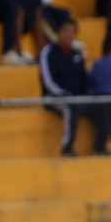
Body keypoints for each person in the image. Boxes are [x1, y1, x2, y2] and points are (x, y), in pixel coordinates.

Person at [39, 19, 100, 156]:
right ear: (59, 32)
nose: (68, 35)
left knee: (102, 105)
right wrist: (64, 94)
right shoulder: (48, 52)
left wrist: (88, 95)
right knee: (70, 106)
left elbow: (84, 80)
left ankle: (100, 147)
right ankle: (67, 148)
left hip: (75, 98)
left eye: (72, 32)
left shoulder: (76, 54)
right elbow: (47, 81)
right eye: (65, 30)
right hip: (53, 98)